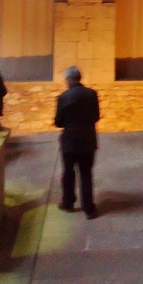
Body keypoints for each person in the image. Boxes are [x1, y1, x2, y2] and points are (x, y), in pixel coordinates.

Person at [54, 65, 100, 219]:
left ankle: (68, 203)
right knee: (86, 174)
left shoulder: (63, 97)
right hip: (88, 141)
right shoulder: (91, 94)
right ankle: (89, 208)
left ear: (68, 80)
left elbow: (58, 122)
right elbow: (96, 117)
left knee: (68, 173)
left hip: (70, 142)